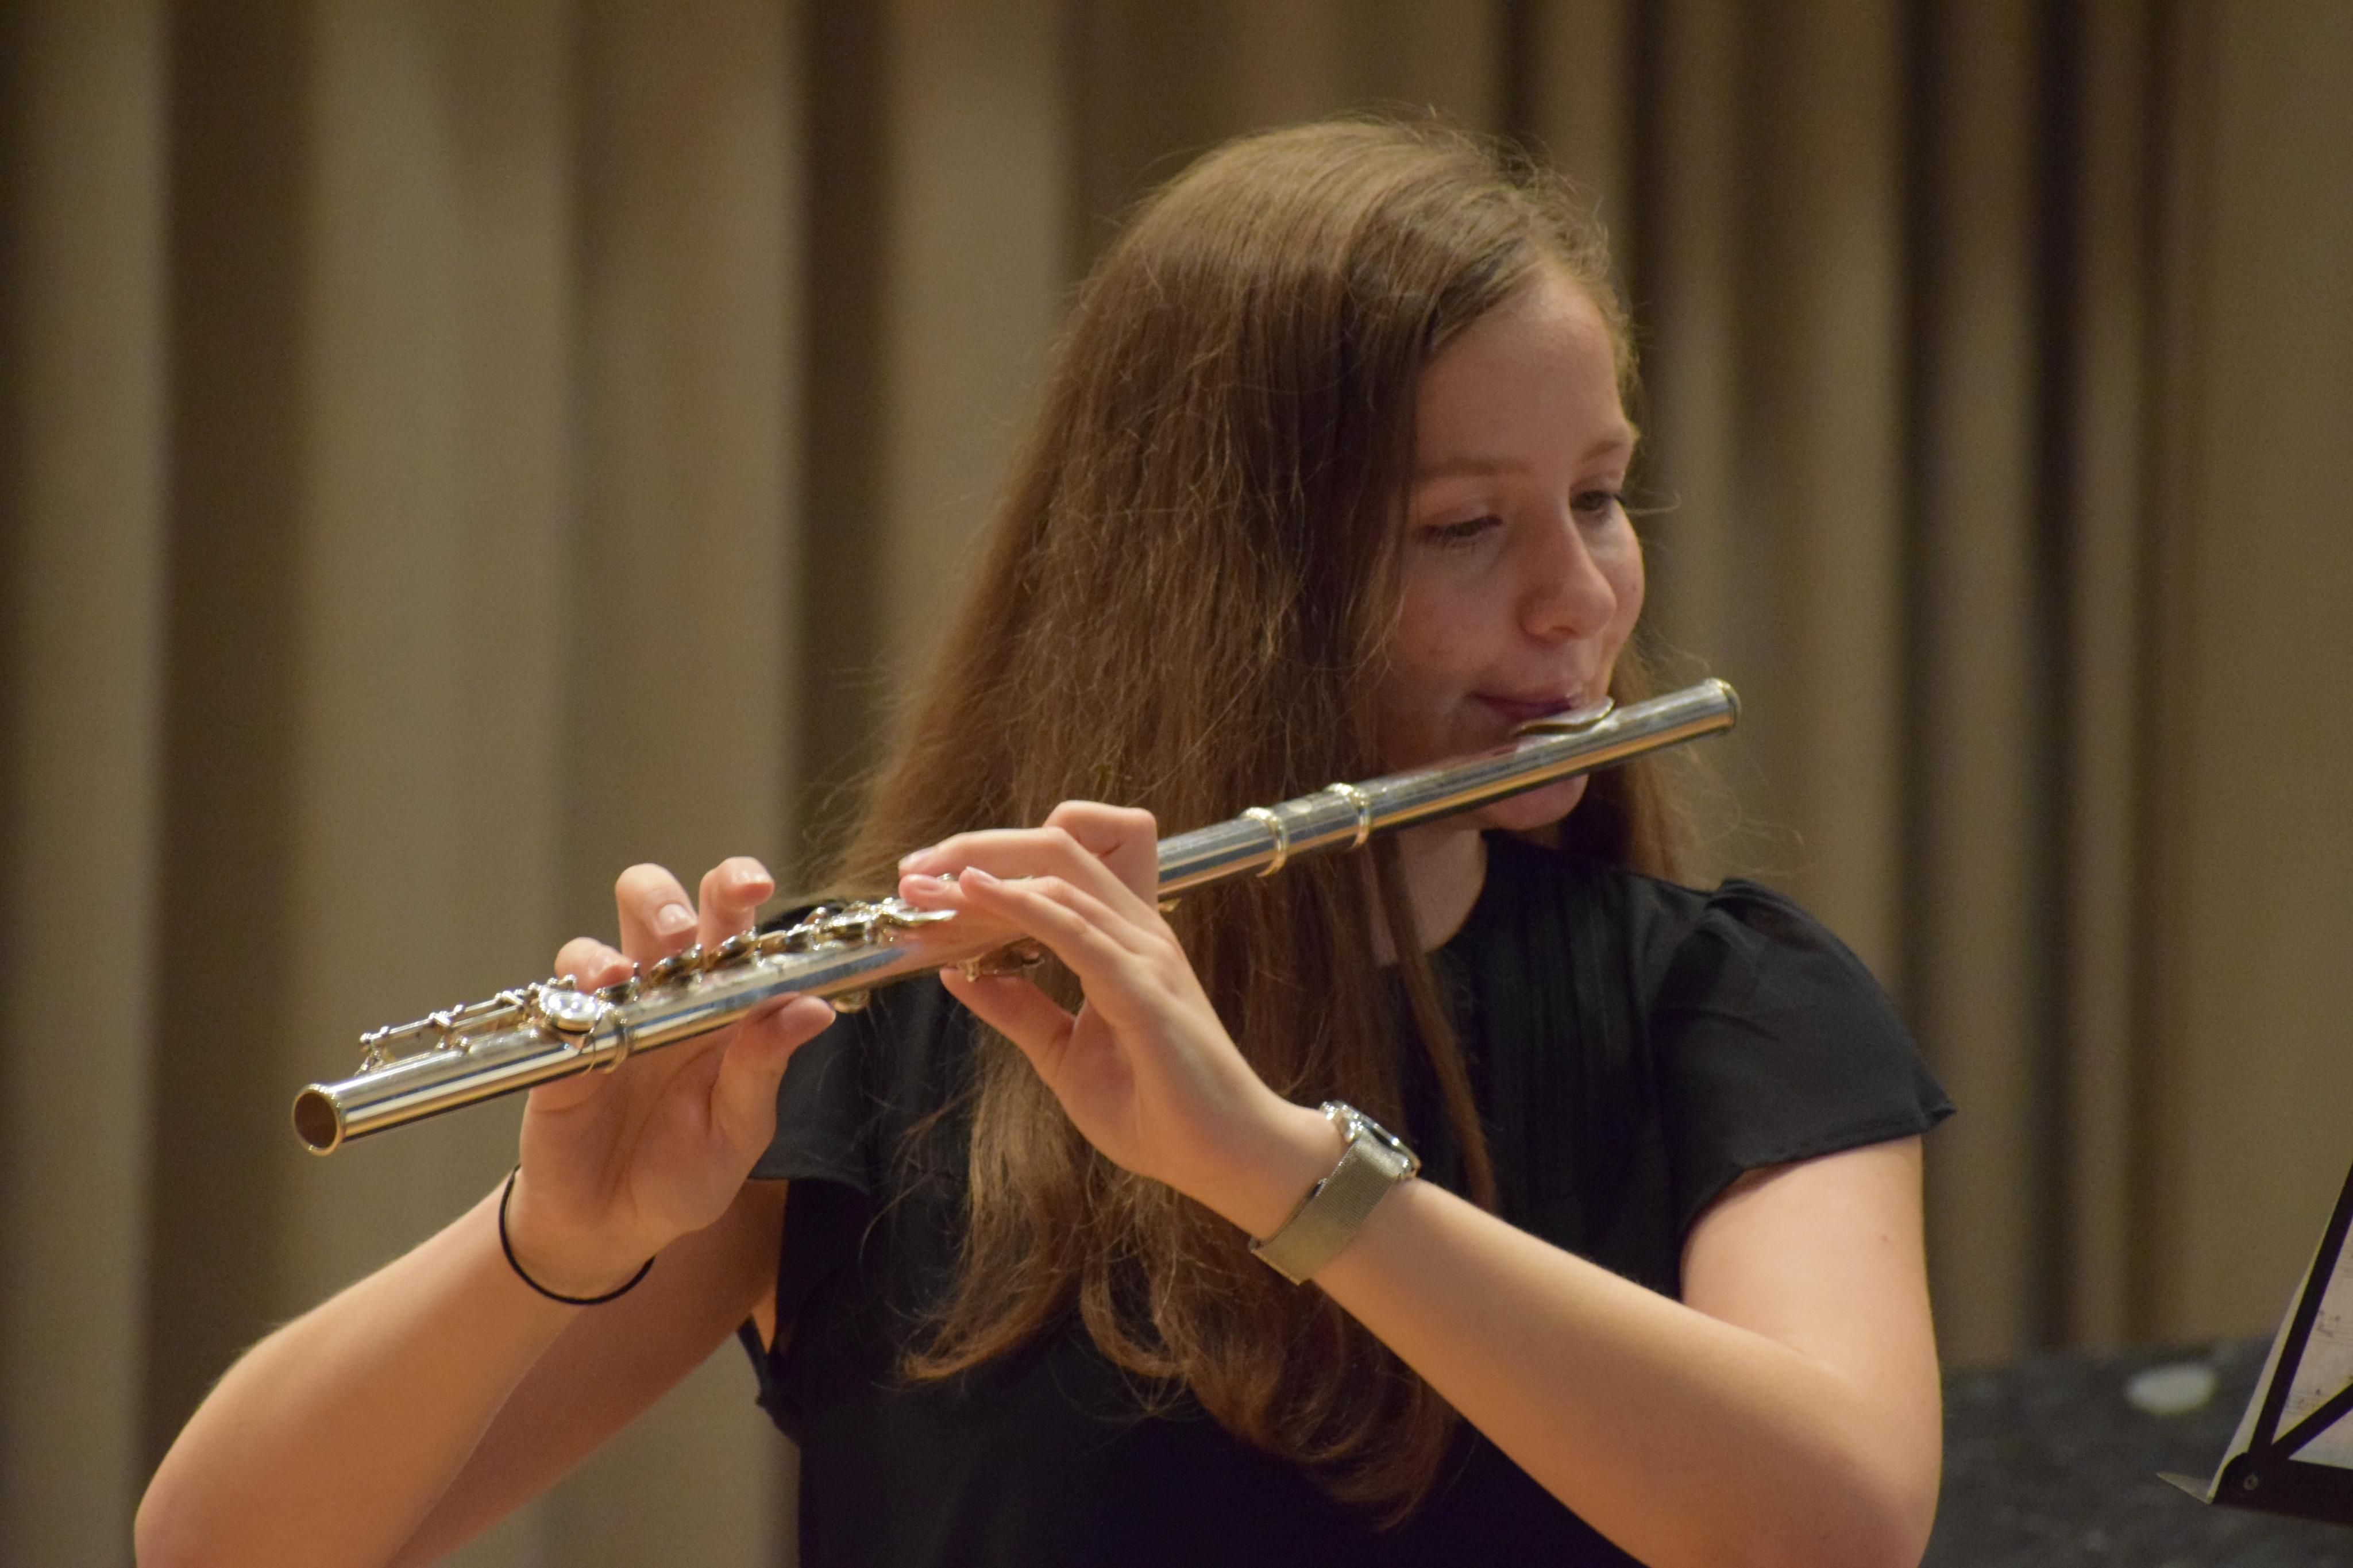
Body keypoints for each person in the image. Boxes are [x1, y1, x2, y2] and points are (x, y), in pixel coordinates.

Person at [137, 118, 1951, 1568]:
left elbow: (1837, 1526)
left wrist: (1279, 1167)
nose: (1581, 597)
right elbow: (217, 1543)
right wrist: (554, 1233)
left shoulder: (1729, 1009)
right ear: (1228, 578)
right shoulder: (879, 1048)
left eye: (1601, 496)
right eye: (1466, 527)